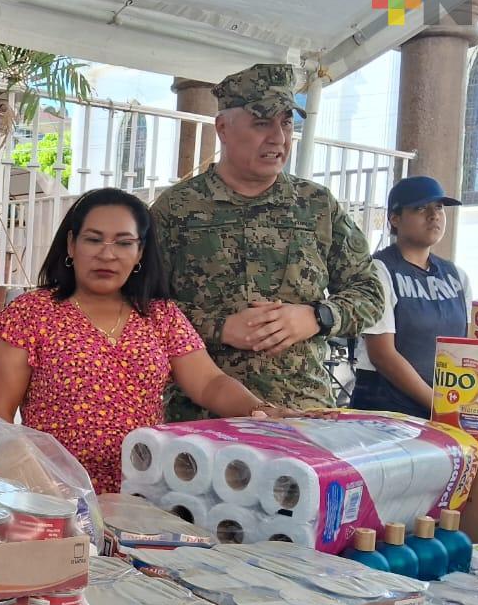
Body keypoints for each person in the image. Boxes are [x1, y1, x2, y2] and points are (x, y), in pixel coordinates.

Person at [0, 188, 277, 494]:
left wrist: (260, 410)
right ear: (71, 245)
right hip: (56, 494)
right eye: (94, 239)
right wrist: (39, 490)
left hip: (145, 494)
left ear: (140, 253)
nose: (107, 254)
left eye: (124, 243)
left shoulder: (160, 315)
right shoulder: (31, 313)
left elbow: (209, 383)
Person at [152, 63, 385, 419]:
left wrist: (317, 316)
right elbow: (141, 309)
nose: (278, 137)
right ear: (223, 129)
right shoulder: (177, 209)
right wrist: (219, 327)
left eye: (287, 122)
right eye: (262, 123)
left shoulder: (317, 205)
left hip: (303, 411)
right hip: (201, 420)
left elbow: (370, 293)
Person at [351, 176, 470, 418]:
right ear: (395, 218)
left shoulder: (457, 275)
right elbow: (382, 355)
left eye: (438, 207)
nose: (433, 215)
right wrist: (438, 407)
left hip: (441, 409)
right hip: (384, 411)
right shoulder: (378, 270)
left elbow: (467, 347)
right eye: (420, 208)